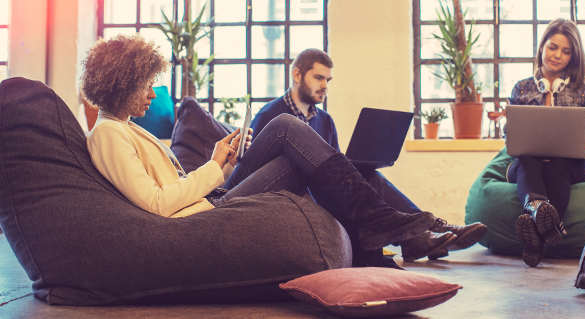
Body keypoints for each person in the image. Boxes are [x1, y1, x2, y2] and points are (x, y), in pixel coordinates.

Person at [82, 35, 465, 267]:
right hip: (201, 216)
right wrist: (214, 167)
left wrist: (225, 164)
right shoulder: (107, 135)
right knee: (285, 126)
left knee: (295, 148)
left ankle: (375, 227)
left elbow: (177, 184)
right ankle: (377, 222)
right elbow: (159, 204)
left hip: (211, 198)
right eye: (146, 85)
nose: (152, 93)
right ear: (122, 84)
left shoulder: (125, 129)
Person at [250, 48, 487, 263]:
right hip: (294, 195)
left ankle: (425, 232)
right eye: (319, 78)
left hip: (324, 192)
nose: (325, 85)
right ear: (297, 74)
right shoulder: (271, 117)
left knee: (367, 174)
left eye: (328, 80)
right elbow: (264, 172)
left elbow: (333, 168)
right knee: (362, 181)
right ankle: (420, 234)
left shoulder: (325, 120)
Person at [507, 18, 585, 267]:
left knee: (559, 162)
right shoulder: (522, 88)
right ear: (542, 47)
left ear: (574, 56)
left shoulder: (584, 88)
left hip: (570, 162)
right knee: (527, 161)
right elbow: (512, 136)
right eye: (553, 47)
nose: (557, 55)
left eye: (566, 51)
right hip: (531, 162)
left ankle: (535, 229)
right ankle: (543, 217)